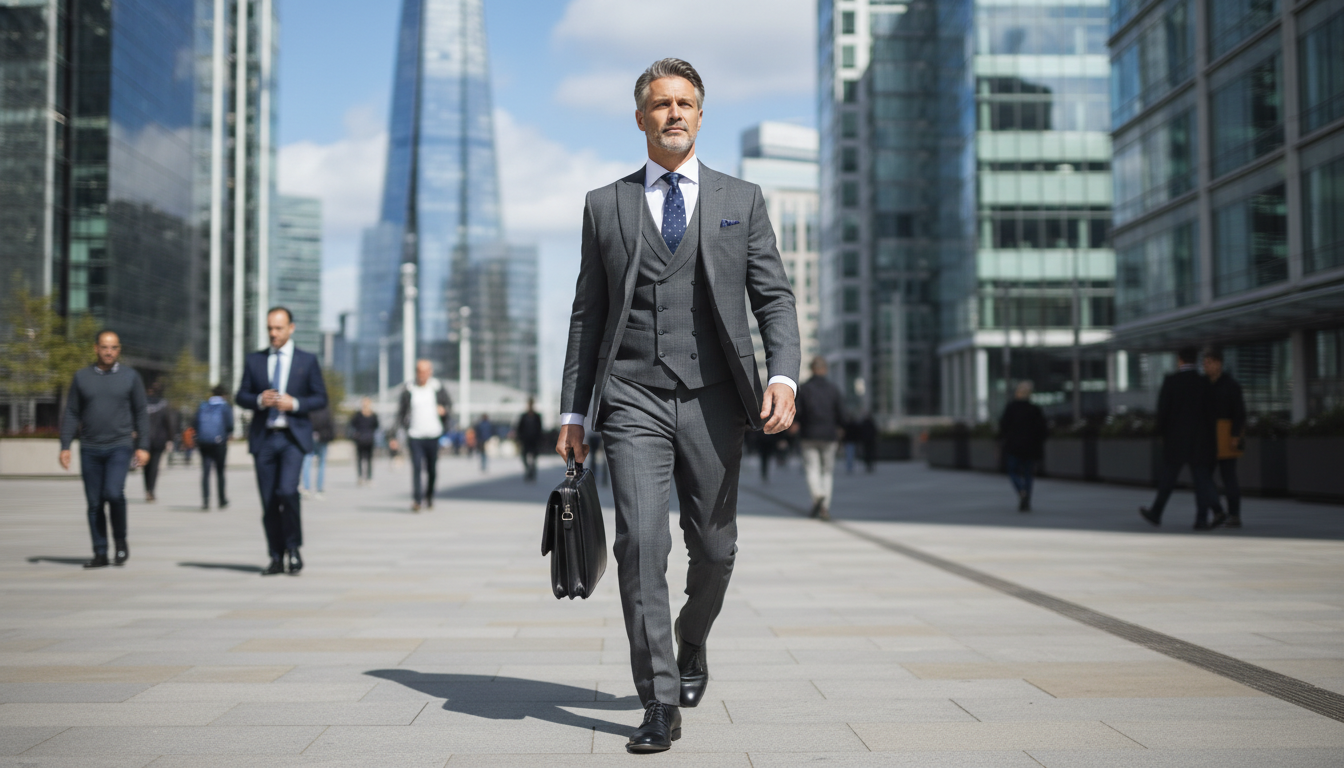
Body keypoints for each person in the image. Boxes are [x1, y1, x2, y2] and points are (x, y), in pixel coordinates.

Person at [556, 59, 800, 753]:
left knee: (716, 550)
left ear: (700, 114)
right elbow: (586, 314)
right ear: (640, 117)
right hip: (631, 396)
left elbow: (773, 298)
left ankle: (692, 640)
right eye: (660, 104)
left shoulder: (740, 199)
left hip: (717, 398)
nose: (673, 113)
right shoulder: (606, 205)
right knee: (641, 545)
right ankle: (658, 702)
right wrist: (574, 413)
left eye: (685, 103)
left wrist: (783, 376)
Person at [235, 307, 328, 575]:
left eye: (278, 328)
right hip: (264, 439)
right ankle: (275, 556)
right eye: (270, 329)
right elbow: (240, 395)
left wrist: (295, 403)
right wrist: (258, 400)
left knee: (287, 492)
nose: (273, 334)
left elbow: (320, 398)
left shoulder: (306, 360)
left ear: (291, 328)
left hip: (292, 438)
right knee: (268, 501)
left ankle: (294, 548)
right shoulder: (255, 360)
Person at [58, 330, 149, 569]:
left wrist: (143, 447)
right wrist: (65, 446)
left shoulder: (131, 377)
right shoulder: (81, 377)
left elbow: (141, 412)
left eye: (114, 348)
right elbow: (71, 412)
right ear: (96, 348)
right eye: (105, 347)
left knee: (113, 493)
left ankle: (120, 542)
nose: (109, 352)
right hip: (90, 448)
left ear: (119, 350)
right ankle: (100, 552)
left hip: (120, 445)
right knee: (94, 503)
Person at [1141, 346, 1222, 530]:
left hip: (1176, 439)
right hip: (1200, 440)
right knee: (1201, 480)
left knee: (1168, 478)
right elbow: (1211, 414)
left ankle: (1156, 513)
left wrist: (1161, 433)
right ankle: (1201, 520)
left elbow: (1163, 411)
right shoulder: (1204, 382)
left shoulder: (1171, 381)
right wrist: (1212, 440)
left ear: (1180, 360)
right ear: (1195, 360)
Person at [394, 359, 450, 512]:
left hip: (433, 434)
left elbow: (449, 406)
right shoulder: (409, 389)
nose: (423, 375)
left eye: (426, 371)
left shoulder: (437, 388)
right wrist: (395, 435)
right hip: (415, 435)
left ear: (430, 372)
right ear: (416, 372)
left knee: (432, 470)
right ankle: (417, 500)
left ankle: (429, 496)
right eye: (420, 371)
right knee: (417, 467)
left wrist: (444, 411)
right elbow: (401, 413)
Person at [794, 356, 845, 520]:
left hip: (809, 434)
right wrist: (840, 428)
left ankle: (817, 494)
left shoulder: (805, 389)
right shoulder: (833, 389)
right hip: (829, 435)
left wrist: (796, 425)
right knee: (827, 472)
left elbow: (798, 412)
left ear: (811, 369)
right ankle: (824, 507)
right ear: (825, 370)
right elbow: (841, 413)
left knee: (812, 468)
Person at [1204, 347, 1247, 529]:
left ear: (1218, 363)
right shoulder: (1202, 385)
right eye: (1204, 364)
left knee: (1229, 477)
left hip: (1226, 433)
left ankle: (1234, 515)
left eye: (1209, 363)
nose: (1206, 367)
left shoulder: (1231, 385)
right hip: (1206, 435)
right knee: (1203, 476)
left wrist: (1235, 435)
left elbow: (1240, 413)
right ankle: (1218, 511)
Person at [998, 380, 1048, 512]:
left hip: (1014, 446)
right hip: (1031, 447)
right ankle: (1026, 497)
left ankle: (1021, 491)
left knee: (1012, 471)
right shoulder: (1034, 409)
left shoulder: (1011, 408)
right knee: (1028, 474)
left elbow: (1003, 426)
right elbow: (1042, 429)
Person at [195, 384, 234, 510]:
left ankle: (206, 501)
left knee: (205, 472)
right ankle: (221, 499)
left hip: (204, 442)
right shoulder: (225, 407)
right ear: (224, 395)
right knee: (220, 472)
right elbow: (230, 425)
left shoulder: (203, 405)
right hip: (219, 443)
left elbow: (195, 423)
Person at [142, 381, 176, 502]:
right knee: (154, 466)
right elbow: (169, 423)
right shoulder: (164, 405)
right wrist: (170, 439)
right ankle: (151, 490)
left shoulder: (142, 404)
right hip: (159, 440)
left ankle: (147, 490)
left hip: (144, 439)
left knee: (146, 466)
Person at [301, 407, 334, 499]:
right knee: (321, 463)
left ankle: (306, 488)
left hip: (310, 436)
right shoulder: (325, 409)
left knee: (307, 461)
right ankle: (319, 489)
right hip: (323, 437)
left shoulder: (308, 407)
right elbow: (330, 424)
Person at [348, 397, 379, 485]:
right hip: (361, 439)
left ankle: (367, 477)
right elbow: (352, 424)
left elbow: (376, 426)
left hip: (368, 439)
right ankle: (362, 477)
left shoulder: (372, 415)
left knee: (367, 459)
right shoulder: (359, 415)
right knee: (361, 459)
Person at [516, 398, 543, 481]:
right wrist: (519, 439)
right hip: (525, 440)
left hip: (534, 440)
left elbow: (540, 428)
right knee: (524, 456)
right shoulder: (523, 416)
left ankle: (532, 472)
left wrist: (540, 439)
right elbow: (519, 428)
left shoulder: (537, 416)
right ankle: (528, 470)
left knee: (534, 457)